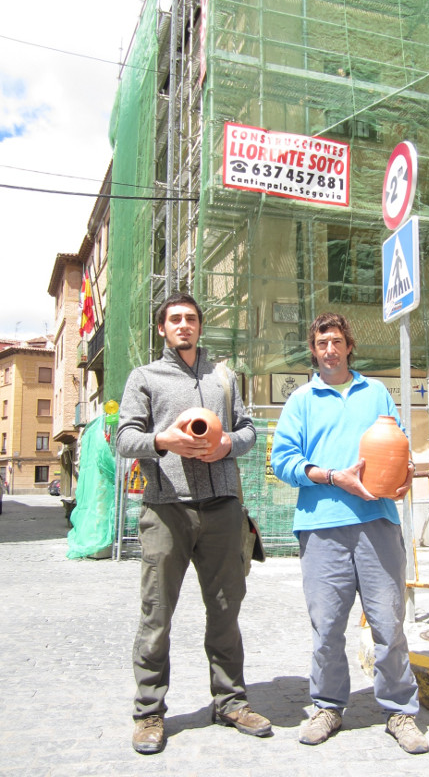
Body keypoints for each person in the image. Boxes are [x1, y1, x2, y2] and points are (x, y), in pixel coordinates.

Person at [116, 292, 271, 755]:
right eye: (175, 319)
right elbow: (125, 438)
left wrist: (228, 447)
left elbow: (247, 429)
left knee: (226, 611)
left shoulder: (222, 377)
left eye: (191, 319)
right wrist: (162, 441)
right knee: (156, 614)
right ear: (162, 327)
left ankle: (230, 702)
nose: (184, 325)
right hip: (166, 509)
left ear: (200, 326)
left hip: (222, 507)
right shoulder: (145, 377)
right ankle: (148, 713)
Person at [270, 312, 428, 754]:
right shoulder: (301, 400)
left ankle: (400, 711)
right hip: (321, 528)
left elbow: (399, 447)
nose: (329, 350)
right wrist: (332, 476)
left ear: (348, 345)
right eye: (321, 343)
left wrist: (407, 472)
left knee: (388, 621)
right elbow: (283, 461)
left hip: (378, 522)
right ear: (314, 349)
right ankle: (327, 706)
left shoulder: (375, 392)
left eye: (336, 341)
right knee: (327, 626)